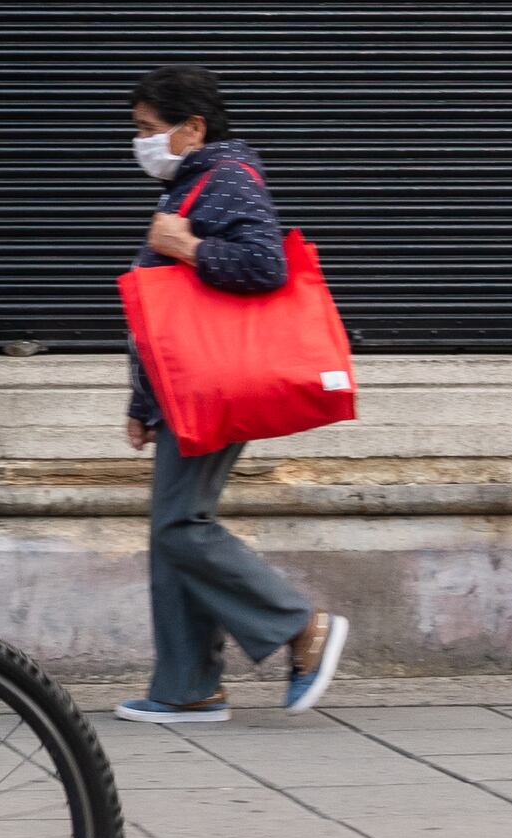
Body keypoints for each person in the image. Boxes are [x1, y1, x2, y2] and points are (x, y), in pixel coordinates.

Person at [115, 68, 348, 726]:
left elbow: (263, 264)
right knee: (173, 531)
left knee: (182, 526)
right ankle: (186, 685)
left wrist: (186, 244)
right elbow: (162, 312)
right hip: (184, 390)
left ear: (193, 127)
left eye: (148, 129)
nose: (140, 142)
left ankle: (302, 627)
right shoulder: (192, 184)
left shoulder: (226, 179)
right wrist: (142, 401)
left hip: (214, 383)